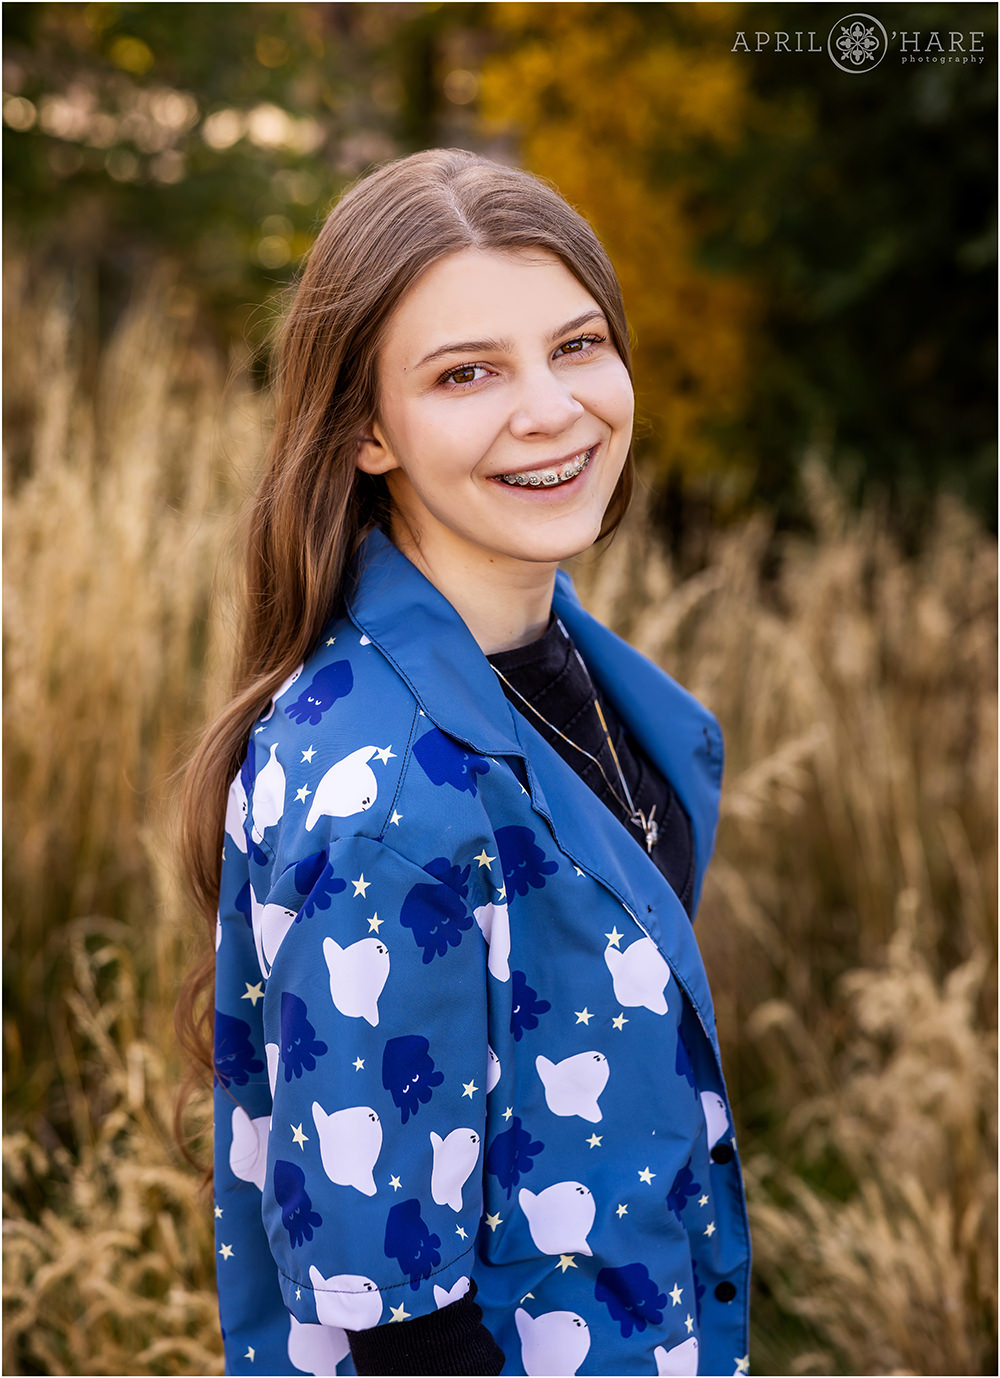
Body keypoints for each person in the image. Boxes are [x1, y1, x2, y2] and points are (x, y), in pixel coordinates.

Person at [180, 147, 750, 1377]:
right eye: (466, 373)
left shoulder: (574, 674)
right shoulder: (395, 796)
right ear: (367, 431)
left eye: (578, 344)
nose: (549, 408)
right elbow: (396, 1325)